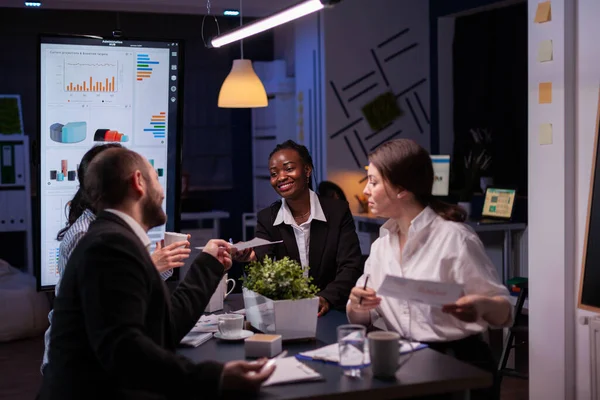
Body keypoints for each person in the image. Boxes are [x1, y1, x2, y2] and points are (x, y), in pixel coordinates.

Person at [39, 148, 274, 400]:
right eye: (156, 178)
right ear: (138, 182)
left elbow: (165, 327)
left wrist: (208, 264)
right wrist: (217, 377)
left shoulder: (113, 237)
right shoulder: (109, 245)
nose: (162, 192)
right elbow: (127, 353)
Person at [346, 139, 511, 400]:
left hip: (457, 365)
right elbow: (361, 318)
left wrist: (482, 305)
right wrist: (356, 304)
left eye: (373, 182)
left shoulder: (455, 239)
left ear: (401, 189)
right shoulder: (381, 246)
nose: (366, 191)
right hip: (400, 361)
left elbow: (504, 313)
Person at [41, 143, 190, 373]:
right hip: (79, 368)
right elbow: (114, 330)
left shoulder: (109, 229)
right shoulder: (92, 237)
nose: (160, 190)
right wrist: (152, 265)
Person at [234, 140, 363, 316]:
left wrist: (325, 298)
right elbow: (265, 275)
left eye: (288, 169)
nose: (280, 177)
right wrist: (250, 258)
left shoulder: (337, 211)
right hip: (287, 313)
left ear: (307, 170)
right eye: (274, 173)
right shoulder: (267, 218)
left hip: (332, 311)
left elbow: (351, 266)